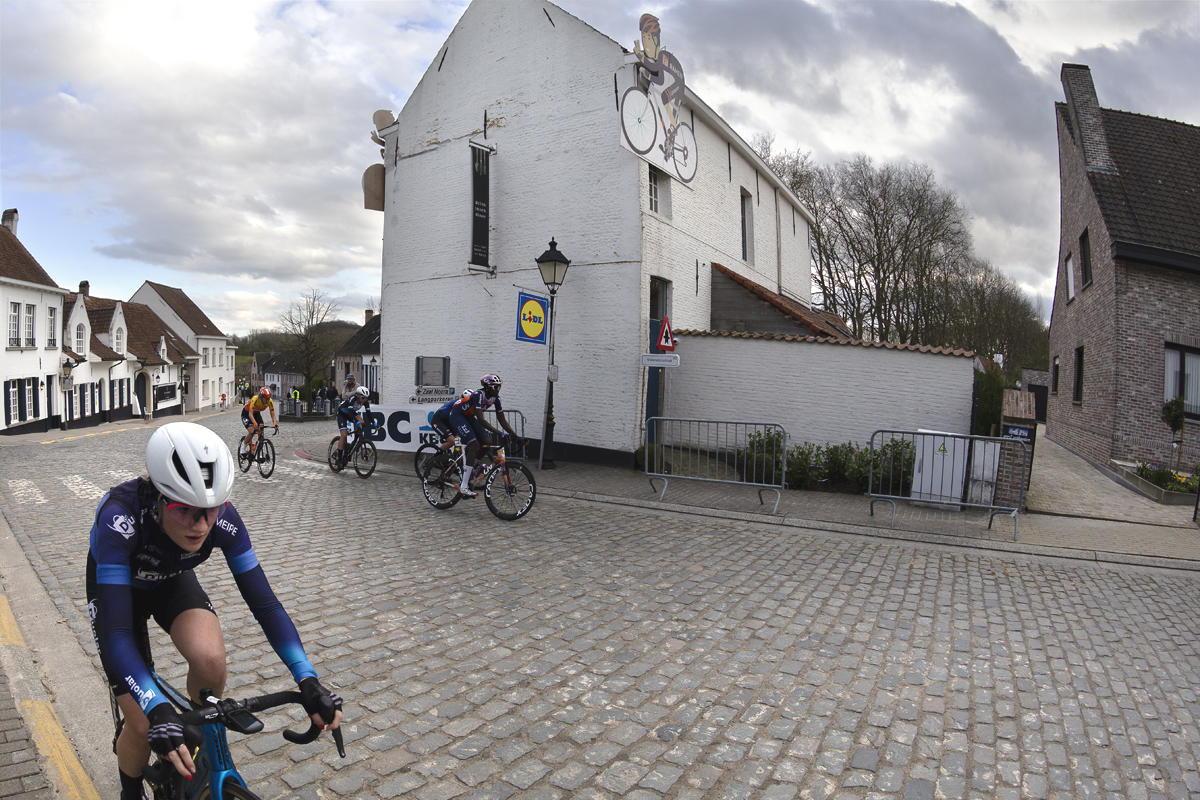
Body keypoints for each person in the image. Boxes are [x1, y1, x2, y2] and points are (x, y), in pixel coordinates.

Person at [86, 422, 342, 800]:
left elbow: (266, 605)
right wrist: (156, 708)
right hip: (118, 589)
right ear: (159, 497)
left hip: (170, 579)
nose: (201, 524)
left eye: (211, 509)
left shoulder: (222, 520)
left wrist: (308, 679)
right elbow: (118, 634)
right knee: (141, 723)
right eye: (185, 511)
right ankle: (129, 791)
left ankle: (194, 741)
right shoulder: (119, 520)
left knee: (210, 662)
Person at [448, 374, 524, 498]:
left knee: (487, 442)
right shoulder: (478, 395)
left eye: (499, 387)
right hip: (458, 416)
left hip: (469, 417)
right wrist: (500, 433)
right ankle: (463, 486)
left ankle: (469, 466)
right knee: (474, 445)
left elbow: (502, 420)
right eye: (496, 387)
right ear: (487, 387)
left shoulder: (496, 398)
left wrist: (515, 436)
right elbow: (481, 420)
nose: (498, 389)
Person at [334, 385, 372, 466]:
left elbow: (369, 414)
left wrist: (374, 423)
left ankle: (353, 444)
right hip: (342, 413)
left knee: (362, 421)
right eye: (363, 398)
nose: (364, 400)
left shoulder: (365, 401)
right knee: (344, 435)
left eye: (366, 398)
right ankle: (339, 460)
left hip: (350, 413)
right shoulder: (352, 399)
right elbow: (351, 414)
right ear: (358, 395)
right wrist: (356, 422)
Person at [240, 387, 278, 457]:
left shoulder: (270, 401)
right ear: (260, 397)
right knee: (252, 430)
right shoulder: (254, 399)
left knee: (261, 431)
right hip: (247, 413)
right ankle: (243, 447)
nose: (267, 401)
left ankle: (259, 450)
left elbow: (272, 414)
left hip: (256, 413)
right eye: (265, 399)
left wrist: (275, 423)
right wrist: (254, 423)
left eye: (268, 399)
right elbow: (250, 414)